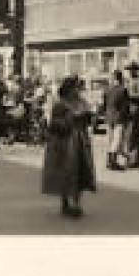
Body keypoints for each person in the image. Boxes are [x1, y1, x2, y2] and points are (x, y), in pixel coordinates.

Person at [41, 76, 98, 219]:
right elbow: (54, 124)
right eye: (75, 88)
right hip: (63, 143)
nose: (77, 91)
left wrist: (88, 117)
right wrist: (70, 120)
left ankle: (77, 204)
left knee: (80, 171)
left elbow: (89, 121)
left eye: (78, 88)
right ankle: (65, 202)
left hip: (80, 142)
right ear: (68, 89)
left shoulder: (82, 102)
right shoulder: (60, 104)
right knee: (65, 172)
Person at [123, 63, 139, 168]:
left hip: (136, 110)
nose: (131, 72)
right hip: (129, 110)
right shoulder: (127, 81)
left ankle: (135, 161)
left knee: (135, 137)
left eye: (133, 70)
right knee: (129, 137)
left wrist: (129, 96)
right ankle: (131, 160)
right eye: (130, 70)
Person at [103, 70, 129, 171]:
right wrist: (126, 117)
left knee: (110, 139)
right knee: (116, 140)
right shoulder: (123, 90)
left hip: (109, 117)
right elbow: (125, 107)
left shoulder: (107, 90)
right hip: (119, 117)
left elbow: (104, 105)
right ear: (121, 78)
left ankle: (108, 161)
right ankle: (113, 162)